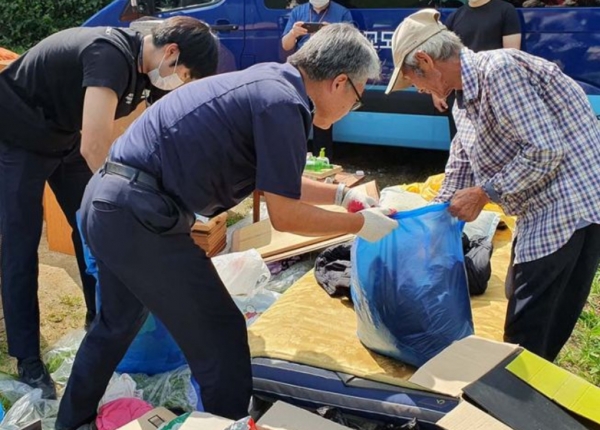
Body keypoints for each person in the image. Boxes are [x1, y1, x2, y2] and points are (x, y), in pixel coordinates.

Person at [55, 23, 397, 429]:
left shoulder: (270, 84)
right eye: (357, 98)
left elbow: (276, 182)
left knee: (115, 325)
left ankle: (70, 422)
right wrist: (358, 224)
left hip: (109, 201)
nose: (352, 109)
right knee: (220, 333)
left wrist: (341, 197)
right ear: (340, 82)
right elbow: (285, 214)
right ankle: (228, 423)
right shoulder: (284, 104)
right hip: (138, 213)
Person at [0, 17, 219, 399]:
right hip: (19, 132)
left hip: (63, 134)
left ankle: (96, 323)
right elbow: (95, 148)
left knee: (93, 227)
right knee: (21, 246)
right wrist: (131, 198)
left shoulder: (153, 71)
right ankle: (28, 362)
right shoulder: (110, 55)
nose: (178, 83)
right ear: (171, 52)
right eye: (183, 74)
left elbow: (166, 135)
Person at [386, 10, 600, 361]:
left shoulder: (499, 70)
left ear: (425, 60)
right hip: (547, 203)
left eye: (414, 81)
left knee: (528, 328)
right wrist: (427, 220)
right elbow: (460, 166)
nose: (420, 90)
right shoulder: (464, 99)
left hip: (569, 203)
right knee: (533, 321)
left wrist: (484, 194)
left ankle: (520, 407)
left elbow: (546, 150)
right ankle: (528, 396)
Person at [432, 0, 521, 135]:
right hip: (463, 98)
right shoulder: (455, 16)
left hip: (494, 98)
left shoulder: (506, 10)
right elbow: (442, 58)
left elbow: (512, 57)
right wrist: (436, 91)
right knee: (463, 148)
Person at [282, 0, 353, 161]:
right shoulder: (298, 12)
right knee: (299, 117)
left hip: (327, 72)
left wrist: (331, 36)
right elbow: (286, 46)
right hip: (302, 71)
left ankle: (323, 160)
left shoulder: (342, 13)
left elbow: (351, 46)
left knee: (323, 117)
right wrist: (293, 33)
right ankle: (296, 160)